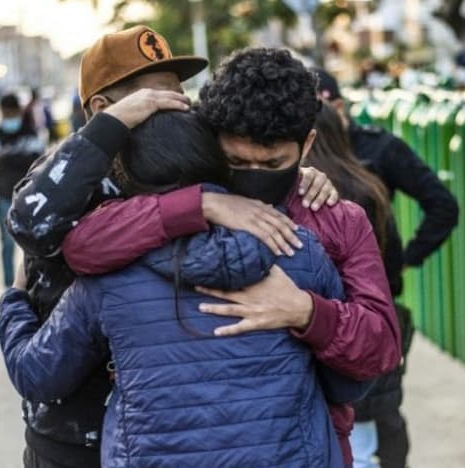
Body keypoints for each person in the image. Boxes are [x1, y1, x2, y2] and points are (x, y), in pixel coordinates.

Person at [3, 26, 338, 468]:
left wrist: (301, 178)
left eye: (179, 93)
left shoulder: (184, 157)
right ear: (105, 110)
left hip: (156, 430)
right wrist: (188, 197)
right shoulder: (68, 175)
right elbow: (32, 222)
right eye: (154, 99)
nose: (179, 106)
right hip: (73, 435)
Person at [54, 48, 403, 467]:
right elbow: (82, 244)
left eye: (273, 163)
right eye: (236, 161)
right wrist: (197, 206)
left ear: (307, 144)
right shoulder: (178, 196)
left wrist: (307, 312)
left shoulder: (337, 222)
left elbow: (381, 348)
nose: (254, 175)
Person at [313, 68, 459, 468]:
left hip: (360, 306)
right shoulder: (297, 170)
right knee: (367, 420)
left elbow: (443, 205)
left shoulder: (376, 154)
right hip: (333, 312)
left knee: (375, 417)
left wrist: (407, 258)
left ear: (337, 106)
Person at [305, 104, 408, 468]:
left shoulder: (291, 202)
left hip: (323, 349)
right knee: (372, 438)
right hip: (366, 330)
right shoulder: (366, 186)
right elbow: (392, 260)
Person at [0, 93, 45, 286]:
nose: (9, 117)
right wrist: (19, 156)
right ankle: (9, 286)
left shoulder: (30, 132)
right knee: (6, 244)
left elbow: (36, 161)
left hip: (29, 197)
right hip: (5, 195)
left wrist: (8, 157)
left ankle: (31, 284)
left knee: (32, 245)